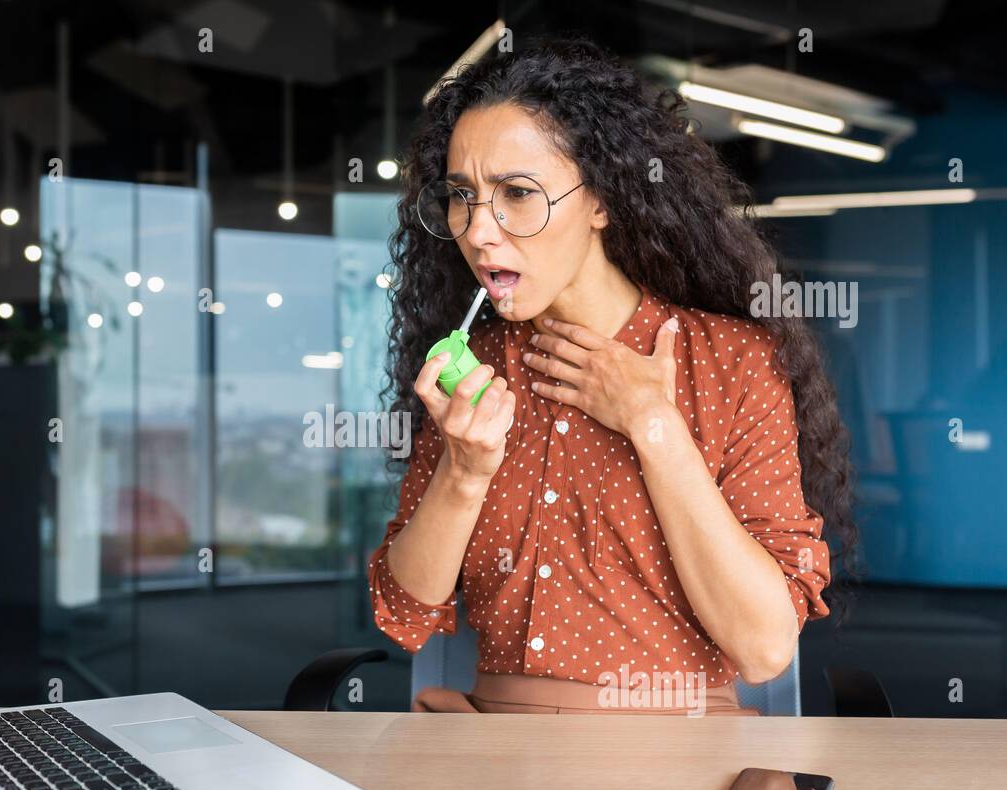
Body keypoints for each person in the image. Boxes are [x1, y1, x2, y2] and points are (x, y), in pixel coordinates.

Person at [367, 35, 856, 717]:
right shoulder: (468, 373)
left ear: (601, 201)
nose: (478, 231)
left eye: (516, 193)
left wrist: (654, 426)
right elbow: (404, 614)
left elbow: (764, 649)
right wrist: (463, 471)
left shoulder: (733, 363)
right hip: (491, 762)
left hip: (682, 761)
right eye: (462, 196)